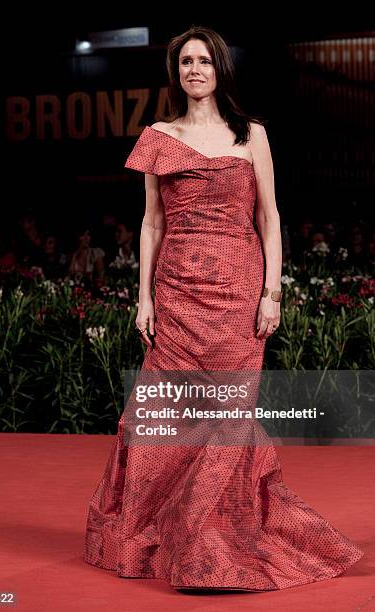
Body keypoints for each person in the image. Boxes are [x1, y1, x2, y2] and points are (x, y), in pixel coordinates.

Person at [84, 25, 363, 592]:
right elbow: (151, 223)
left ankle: (216, 541)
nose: (194, 69)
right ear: (176, 72)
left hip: (238, 291)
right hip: (178, 291)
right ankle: (159, 527)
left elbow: (271, 218)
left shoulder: (251, 134)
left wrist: (272, 291)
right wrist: (143, 299)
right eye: (185, 61)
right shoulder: (159, 135)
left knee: (228, 413)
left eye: (204, 61)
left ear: (219, 70)